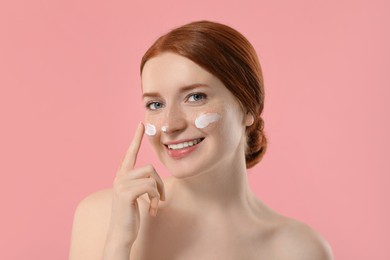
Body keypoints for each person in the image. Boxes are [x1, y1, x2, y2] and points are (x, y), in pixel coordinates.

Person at [69, 20, 333, 260]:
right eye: (155, 104)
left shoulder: (299, 249)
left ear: (248, 109)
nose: (170, 125)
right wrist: (118, 244)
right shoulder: (102, 218)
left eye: (195, 97)